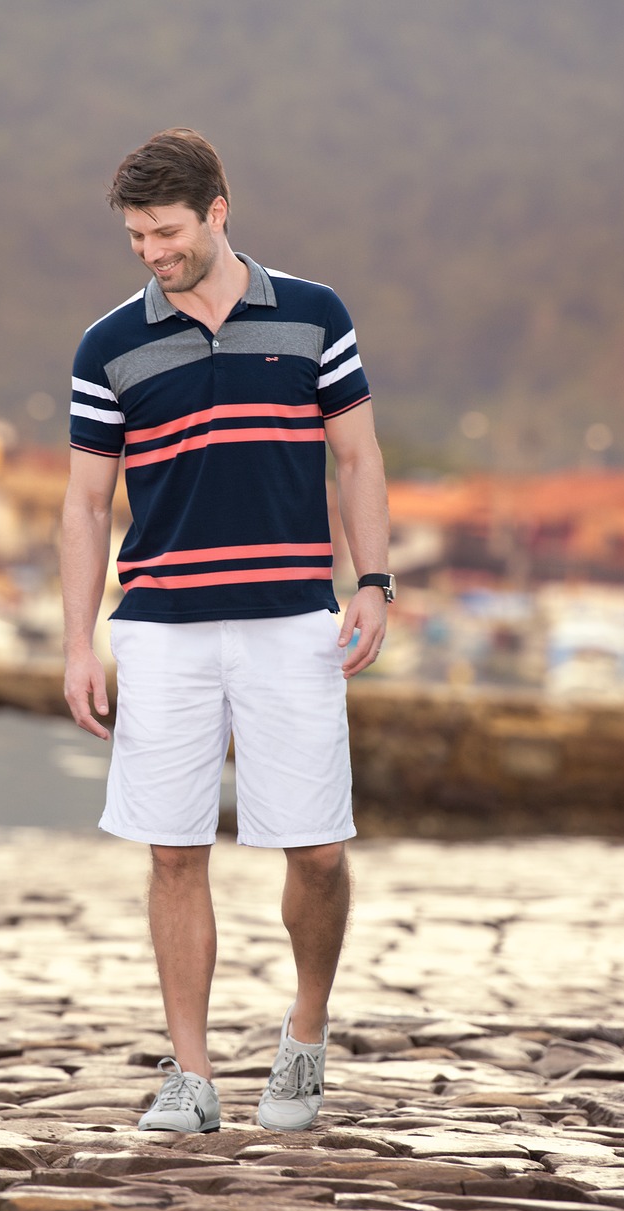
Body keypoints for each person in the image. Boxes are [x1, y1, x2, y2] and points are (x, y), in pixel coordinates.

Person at [61, 127, 391, 1134]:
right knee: (172, 852)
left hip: (293, 620)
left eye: (166, 232)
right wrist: (77, 643)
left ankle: (304, 1033)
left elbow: (357, 457)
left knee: (318, 851)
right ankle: (191, 1075)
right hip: (161, 627)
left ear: (217, 209)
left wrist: (373, 580)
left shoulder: (313, 314)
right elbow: (84, 504)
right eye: (136, 238)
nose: (152, 253)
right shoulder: (108, 345)